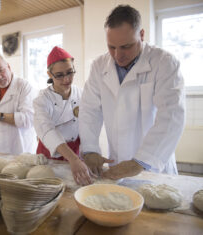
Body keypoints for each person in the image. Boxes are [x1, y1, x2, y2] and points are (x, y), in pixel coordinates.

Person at [79, 5, 185, 180]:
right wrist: (90, 149)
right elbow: (89, 110)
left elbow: (172, 117)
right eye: (111, 47)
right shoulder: (99, 66)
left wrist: (141, 162)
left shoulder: (164, 63)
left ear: (141, 35)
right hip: (117, 162)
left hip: (152, 165)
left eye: (126, 46)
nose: (118, 55)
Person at [33, 46, 92, 185]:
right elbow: (47, 131)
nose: (66, 79)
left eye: (70, 73)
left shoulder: (82, 94)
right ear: (49, 74)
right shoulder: (42, 100)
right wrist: (73, 159)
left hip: (75, 152)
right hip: (50, 153)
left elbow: (88, 126)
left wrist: (90, 153)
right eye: (59, 75)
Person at [0, 54, 37, 154]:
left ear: (8, 67)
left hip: (21, 148)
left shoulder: (24, 86)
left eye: (1, 70)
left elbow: (29, 119)